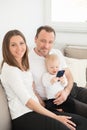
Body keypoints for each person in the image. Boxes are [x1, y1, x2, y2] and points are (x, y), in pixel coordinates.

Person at [1, 29, 79, 130]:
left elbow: (31, 88)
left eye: (21, 43)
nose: (19, 48)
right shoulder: (10, 69)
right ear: (7, 48)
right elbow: (28, 102)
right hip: (24, 116)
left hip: (36, 109)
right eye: (13, 45)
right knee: (66, 126)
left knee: (81, 122)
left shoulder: (24, 64)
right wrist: (56, 117)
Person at [29, 25, 87, 118]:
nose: (46, 46)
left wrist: (66, 91)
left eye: (50, 42)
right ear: (35, 39)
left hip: (71, 89)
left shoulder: (57, 53)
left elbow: (69, 76)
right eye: (43, 41)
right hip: (55, 100)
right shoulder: (27, 60)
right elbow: (29, 88)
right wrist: (41, 102)